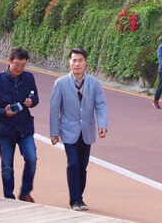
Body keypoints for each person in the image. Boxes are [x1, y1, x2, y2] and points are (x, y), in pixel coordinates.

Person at [50, 48, 108, 212]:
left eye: (80, 60)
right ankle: (74, 200)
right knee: (73, 164)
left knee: (82, 166)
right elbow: (54, 109)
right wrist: (54, 132)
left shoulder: (94, 83)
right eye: (74, 60)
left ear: (85, 62)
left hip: (87, 131)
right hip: (69, 131)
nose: (77, 64)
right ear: (69, 62)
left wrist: (102, 125)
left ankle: (80, 198)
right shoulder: (60, 83)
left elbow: (101, 105)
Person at [0, 48, 40, 202]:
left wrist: (32, 101)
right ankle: (8, 197)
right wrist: (4, 112)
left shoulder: (29, 78)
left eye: (23, 65)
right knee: (7, 167)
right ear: (9, 61)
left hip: (25, 128)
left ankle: (25, 192)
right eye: (17, 65)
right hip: (5, 129)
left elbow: (35, 96)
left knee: (31, 159)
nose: (19, 69)